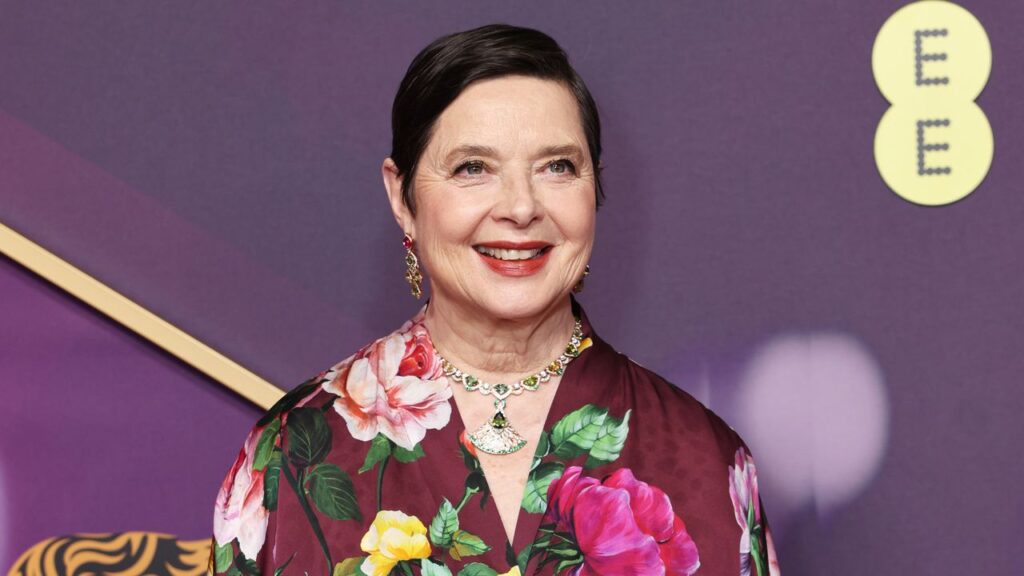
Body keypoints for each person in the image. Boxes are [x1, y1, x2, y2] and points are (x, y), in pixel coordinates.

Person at [211, 24, 780, 576]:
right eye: (473, 168)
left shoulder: (705, 457)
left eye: (557, 167)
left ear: (595, 188)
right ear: (402, 197)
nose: (521, 207)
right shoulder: (294, 452)